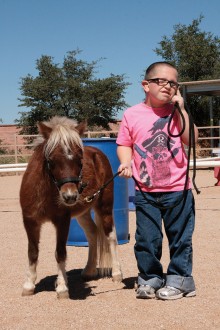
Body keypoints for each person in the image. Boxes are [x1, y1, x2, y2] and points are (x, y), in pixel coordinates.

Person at [116, 61, 198, 300]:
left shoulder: (177, 113)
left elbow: (191, 139)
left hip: (178, 189)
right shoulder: (131, 114)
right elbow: (125, 143)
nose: (168, 86)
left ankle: (181, 280)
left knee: (181, 239)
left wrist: (182, 109)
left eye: (173, 83)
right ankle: (149, 278)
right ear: (145, 85)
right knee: (146, 239)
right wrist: (125, 162)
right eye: (162, 81)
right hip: (145, 190)